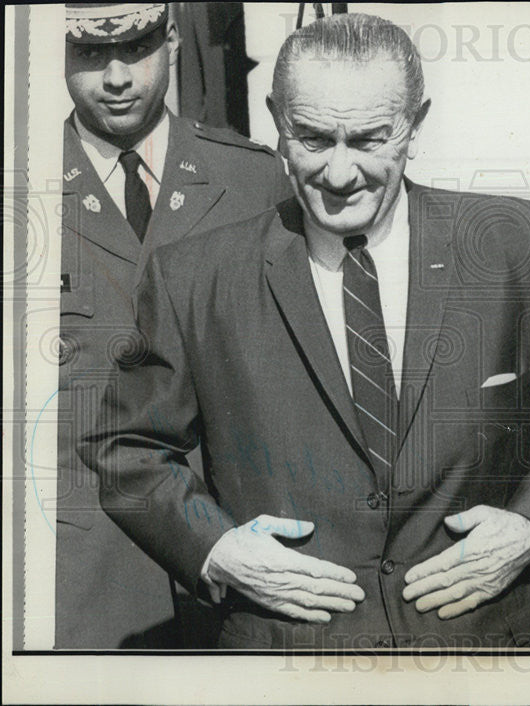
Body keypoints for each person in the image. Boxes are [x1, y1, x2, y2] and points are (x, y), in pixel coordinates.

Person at [80, 13, 530, 649]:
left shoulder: (521, 245)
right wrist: (218, 549)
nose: (340, 175)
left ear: (415, 125)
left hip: (487, 653)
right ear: (276, 123)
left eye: (370, 140)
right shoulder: (193, 277)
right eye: (313, 139)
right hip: (288, 658)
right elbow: (127, 449)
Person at [58, 2, 292, 648]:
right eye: (86, 54)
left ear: (170, 39)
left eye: (134, 47)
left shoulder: (254, 180)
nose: (115, 77)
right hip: (84, 584)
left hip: (245, 565)